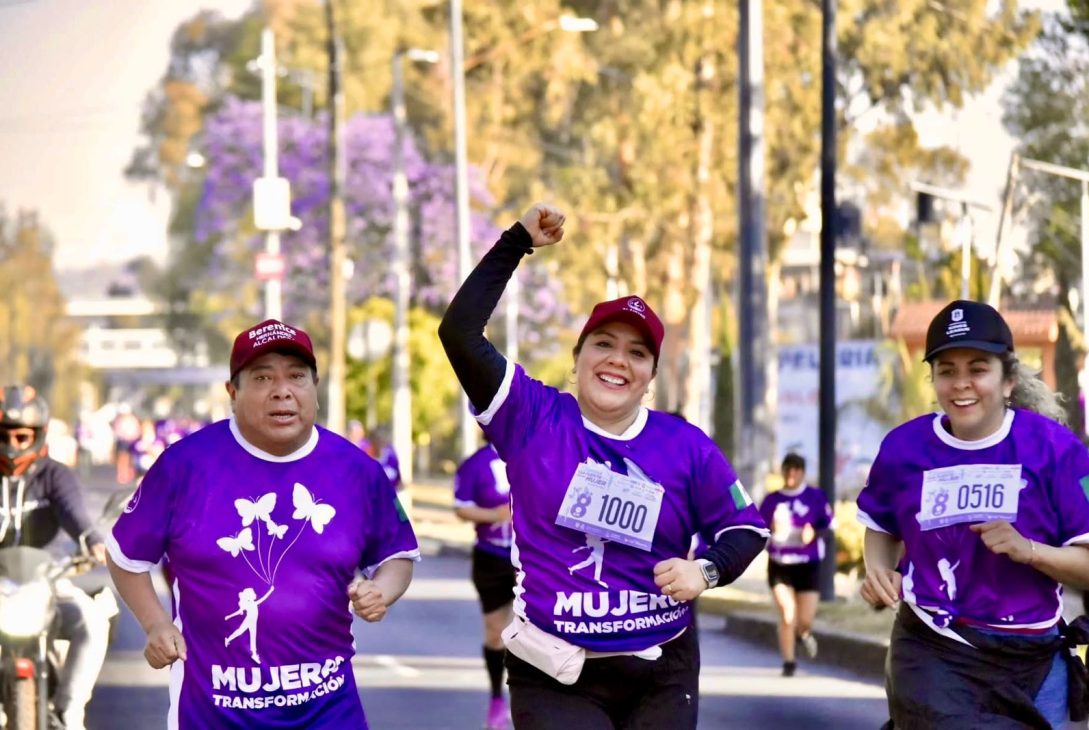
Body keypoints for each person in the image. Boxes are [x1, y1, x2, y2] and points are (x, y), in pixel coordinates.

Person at [439, 203, 769, 729]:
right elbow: (459, 333)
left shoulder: (684, 445)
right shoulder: (531, 416)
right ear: (578, 359)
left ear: (650, 375)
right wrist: (517, 241)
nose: (618, 360)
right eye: (604, 344)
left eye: (637, 353)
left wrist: (704, 570)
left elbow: (745, 528)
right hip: (554, 668)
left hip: (661, 667)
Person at [106, 318, 420, 729]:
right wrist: (156, 624)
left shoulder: (357, 471)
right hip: (213, 713)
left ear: (315, 388)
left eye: (296, 376)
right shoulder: (184, 467)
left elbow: (398, 555)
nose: (282, 390)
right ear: (232, 393)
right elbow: (124, 556)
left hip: (329, 711)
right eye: (262, 377)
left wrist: (381, 590)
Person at [857, 299, 1089, 728]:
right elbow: (881, 527)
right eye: (947, 371)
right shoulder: (904, 449)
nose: (961, 384)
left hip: (1033, 655)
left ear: (1007, 380)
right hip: (935, 645)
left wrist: (1030, 551)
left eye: (977, 369)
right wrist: (879, 571)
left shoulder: (1055, 450)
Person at [0, 385, 111, 730]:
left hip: (46, 577)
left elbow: (75, 514)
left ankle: (68, 710)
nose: (13, 445)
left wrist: (93, 542)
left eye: (22, 436)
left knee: (93, 623)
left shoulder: (54, 475)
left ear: (37, 435)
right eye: (4, 435)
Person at [453, 437, 515, 730]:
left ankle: (536, 697)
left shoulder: (536, 453)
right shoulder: (475, 464)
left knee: (542, 631)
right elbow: (461, 507)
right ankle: (496, 698)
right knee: (496, 633)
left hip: (532, 559)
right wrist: (495, 515)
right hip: (492, 557)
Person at [757, 453, 833, 677]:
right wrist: (771, 529)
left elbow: (828, 529)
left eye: (797, 469)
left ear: (803, 472)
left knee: (805, 619)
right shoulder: (771, 500)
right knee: (787, 612)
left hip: (808, 564)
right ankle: (789, 662)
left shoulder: (816, 497)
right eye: (788, 468)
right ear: (782, 471)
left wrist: (814, 533)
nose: (792, 473)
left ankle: (804, 633)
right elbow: (757, 532)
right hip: (780, 564)